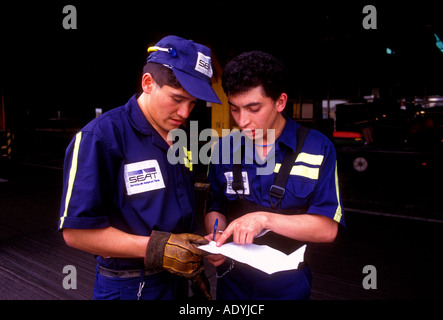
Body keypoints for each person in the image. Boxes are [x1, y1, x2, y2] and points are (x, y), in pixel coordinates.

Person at [58, 35, 221, 300]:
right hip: (130, 286)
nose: (185, 112)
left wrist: (190, 261)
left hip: (176, 278)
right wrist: (158, 249)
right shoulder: (100, 138)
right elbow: (76, 233)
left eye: (192, 103)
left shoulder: (178, 137)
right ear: (147, 83)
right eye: (177, 99)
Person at [204, 51, 345, 300]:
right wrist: (217, 236)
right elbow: (215, 207)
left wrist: (264, 219)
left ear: (280, 102)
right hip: (232, 280)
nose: (242, 121)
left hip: (287, 285)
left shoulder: (318, 148)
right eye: (235, 109)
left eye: (253, 108)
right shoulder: (224, 149)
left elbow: (327, 229)